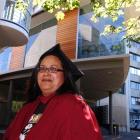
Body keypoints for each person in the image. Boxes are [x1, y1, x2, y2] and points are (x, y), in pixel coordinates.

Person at [3, 44, 103, 140]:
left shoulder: (74, 105)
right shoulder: (28, 107)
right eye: (42, 68)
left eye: (53, 69)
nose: (46, 73)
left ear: (65, 75)